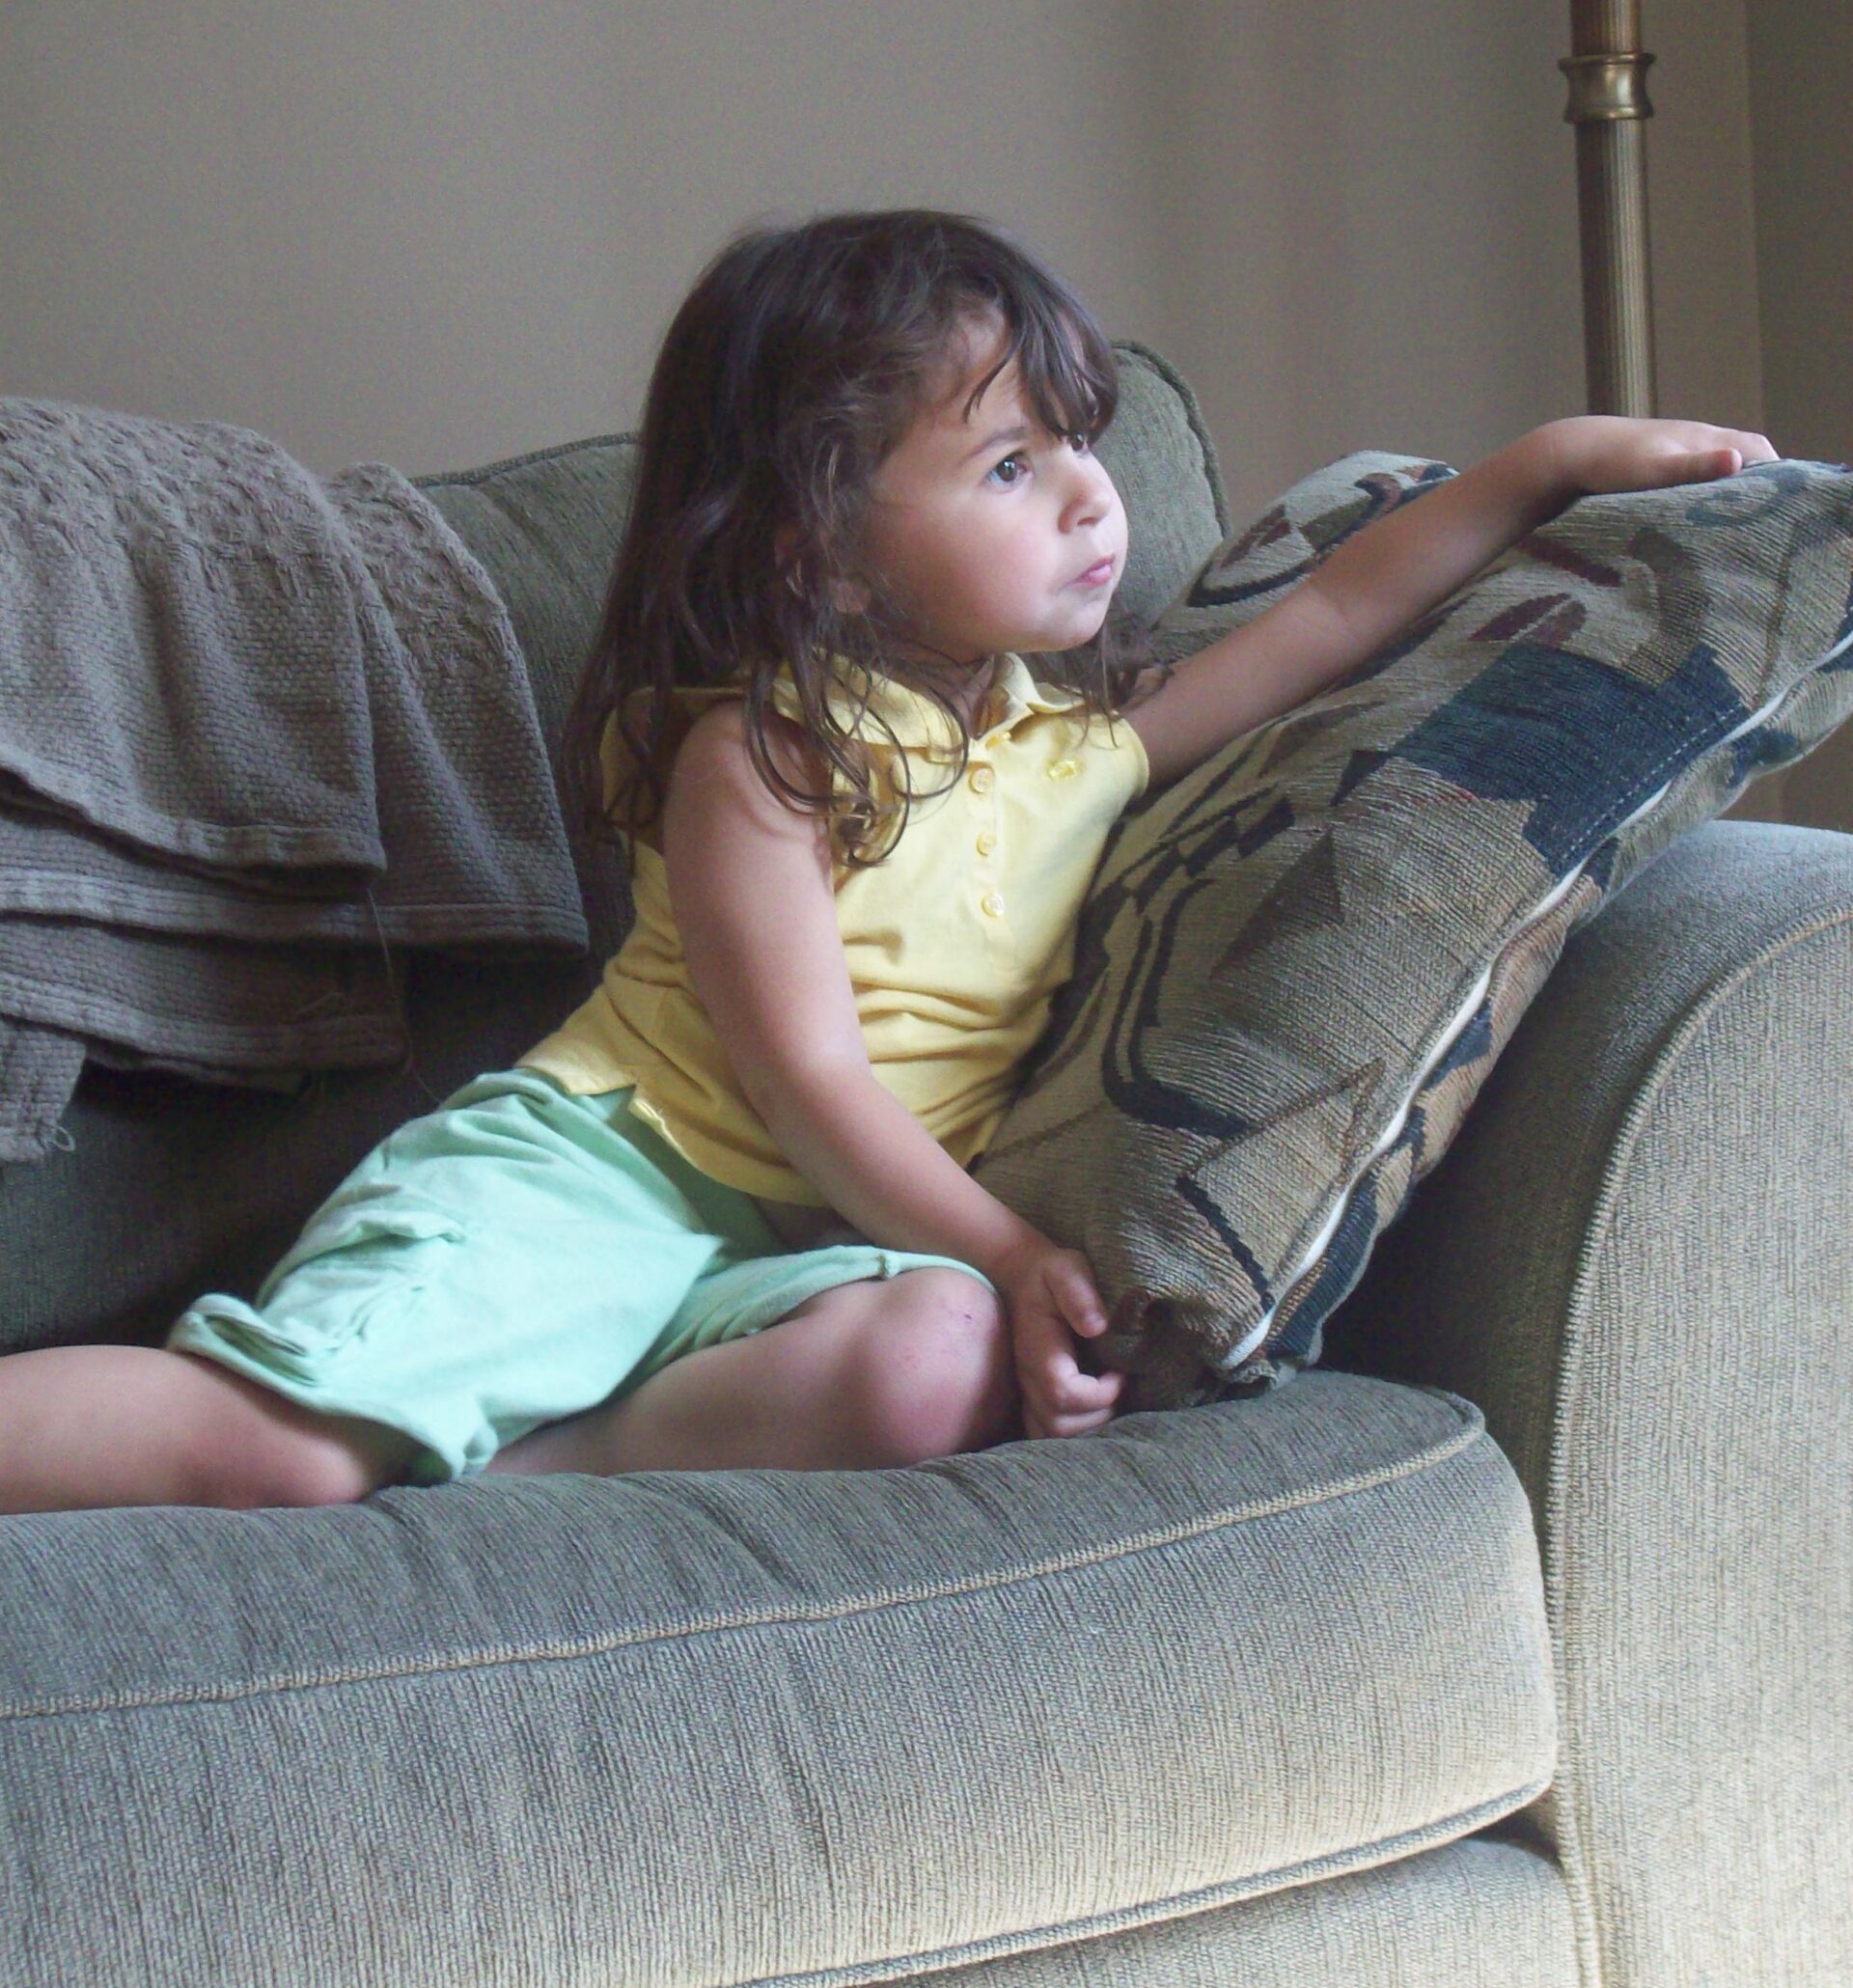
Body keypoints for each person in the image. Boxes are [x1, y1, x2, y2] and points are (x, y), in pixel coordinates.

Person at [0, 209, 1774, 1513]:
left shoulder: (1079, 752)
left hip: (799, 1260)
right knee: (284, 1453)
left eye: (1078, 442)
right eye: (1010, 464)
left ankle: (524, 1464)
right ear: (822, 553)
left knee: (938, 1370)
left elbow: (1334, 617)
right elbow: (808, 1081)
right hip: (606, 1182)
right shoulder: (763, 753)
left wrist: (1546, 466)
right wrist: (1007, 1244)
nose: (1093, 497)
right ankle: (371, 1428)